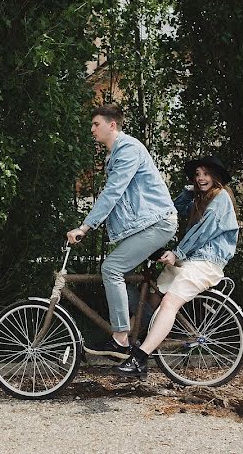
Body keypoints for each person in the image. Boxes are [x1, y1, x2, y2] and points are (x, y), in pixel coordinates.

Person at [66, 104, 178, 360]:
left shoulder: (128, 149)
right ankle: (144, 327)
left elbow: (113, 192)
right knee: (121, 275)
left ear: (112, 125)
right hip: (146, 225)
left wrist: (85, 227)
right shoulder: (115, 153)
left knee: (111, 269)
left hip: (156, 223)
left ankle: (120, 338)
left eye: (96, 124)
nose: (92, 129)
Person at [114, 155, 239, 377]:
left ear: (216, 177)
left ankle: (140, 358)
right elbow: (174, 209)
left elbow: (202, 234)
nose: (201, 178)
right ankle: (128, 343)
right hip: (191, 259)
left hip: (207, 262)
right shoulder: (200, 199)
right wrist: (189, 190)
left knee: (170, 302)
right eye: (197, 175)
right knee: (153, 297)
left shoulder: (220, 199)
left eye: (206, 174)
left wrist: (177, 253)